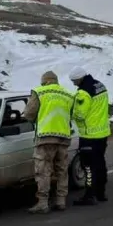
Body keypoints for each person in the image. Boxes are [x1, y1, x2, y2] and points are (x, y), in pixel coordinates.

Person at [23, 71, 75, 214]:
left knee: (43, 171)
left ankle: (43, 202)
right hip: (64, 137)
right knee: (62, 170)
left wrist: (36, 120)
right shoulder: (68, 94)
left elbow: (28, 114)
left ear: (44, 81)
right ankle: (61, 200)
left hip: (45, 137)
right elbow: (71, 114)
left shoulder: (39, 92)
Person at [68, 66, 111, 205]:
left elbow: (80, 115)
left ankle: (89, 195)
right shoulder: (100, 85)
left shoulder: (83, 93)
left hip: (89, 135)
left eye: (74, 81)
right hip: (102, 133)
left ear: (79, 79)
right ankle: (101, 193)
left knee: (88, 166)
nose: (74, 84)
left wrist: (72, 114)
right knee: (100, 163)